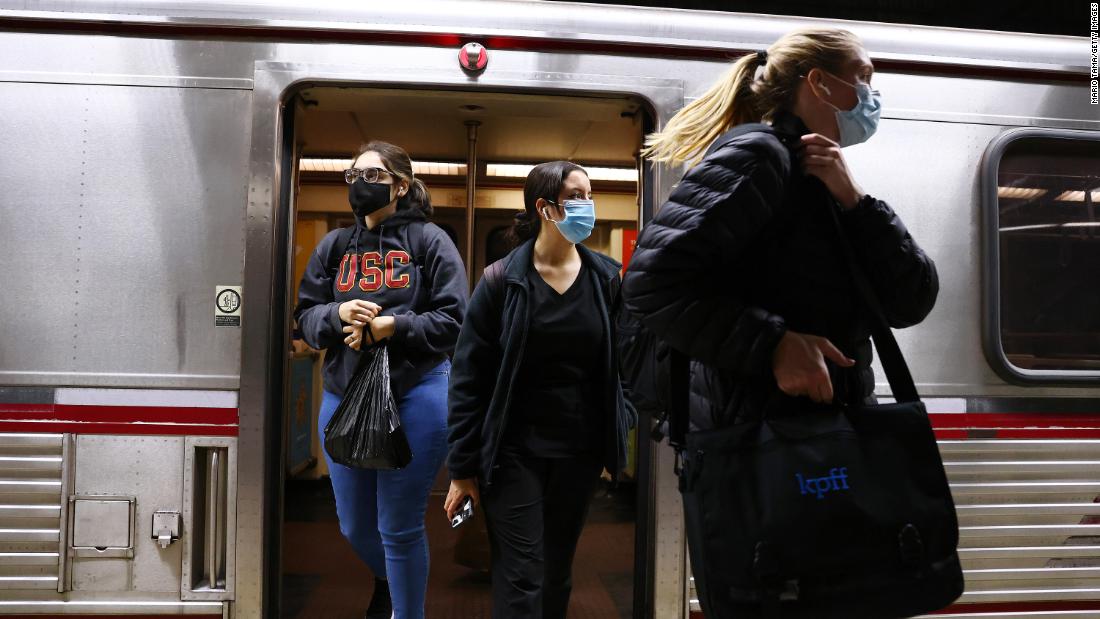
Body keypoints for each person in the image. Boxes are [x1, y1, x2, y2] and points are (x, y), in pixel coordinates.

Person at [620, 27, 939, 617]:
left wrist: (857, 201)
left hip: (811, 445)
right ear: (819, 82)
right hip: (768, 452)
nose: (872, 95)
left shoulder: (818, 175)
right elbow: (651, 282)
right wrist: (770, 346)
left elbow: (911, 299)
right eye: (863, 78)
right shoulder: (759, 155)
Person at [444, 161, 637, 619]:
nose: (587, 206)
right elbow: (468, 380)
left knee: (557, 571)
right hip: (513, 451)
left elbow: (624, 364)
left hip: (580, 452)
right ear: (545, 208)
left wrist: (620, 417)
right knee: (521, 572)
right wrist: (462, 468)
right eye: (576, 196)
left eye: (590, 195)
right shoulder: (500, 282)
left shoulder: (607, 280)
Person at [294, 140, 469, 619]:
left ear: (400, 186)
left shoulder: (430, 242)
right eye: (353, 176)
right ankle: (393, 578)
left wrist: (394, 325)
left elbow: (457, 320)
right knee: (355, 527)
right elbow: (304, 317)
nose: (360, 185)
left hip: (417, 391)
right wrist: (337, 313)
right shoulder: (334, 246)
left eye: (372, 177)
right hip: (344, 393)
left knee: (399, 527)